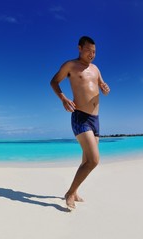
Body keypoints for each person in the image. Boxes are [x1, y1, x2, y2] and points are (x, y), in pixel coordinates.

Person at [50, 36, 110, 210]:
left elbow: (101, 85)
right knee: (93, 160)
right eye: (88, 50)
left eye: (94, 52)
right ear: (79, 48)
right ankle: (69, 193)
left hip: (95, 119)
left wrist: (105, 89)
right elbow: (54, 81)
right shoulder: (70, 65)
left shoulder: (96, 69)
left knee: (86, 160)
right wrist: (63, 98)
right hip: (80, 116)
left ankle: (74, 192)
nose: (92, 54)